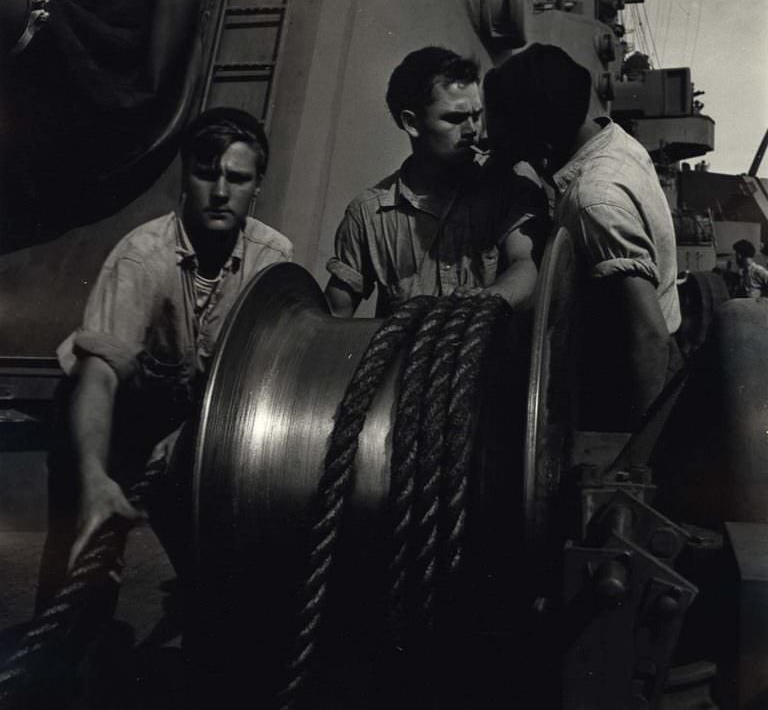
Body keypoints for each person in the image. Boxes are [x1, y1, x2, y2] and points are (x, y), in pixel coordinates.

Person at [37, 107, 293, 610]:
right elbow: (98, 376)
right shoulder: (141, 257)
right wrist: (94, 480)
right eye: (206, 174)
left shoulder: (273, 261)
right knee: (79, 577)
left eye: (237, 178)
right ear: (185, 175)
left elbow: (260, 385)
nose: (220, 192)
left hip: (198, 430)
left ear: (257, 186)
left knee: (219, 575)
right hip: (111, 426)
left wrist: (190, 433)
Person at [484, 43, 681, 432]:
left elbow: (648, 337)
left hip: (627, 389)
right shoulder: (614, 141)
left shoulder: (593, 200)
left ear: (541, 142)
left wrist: (633, 459)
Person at [324, 46, 546, 318]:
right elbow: (333, 320)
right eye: (455, 118)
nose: (472, 131)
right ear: (412, 123)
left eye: (476, 115)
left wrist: (485, 305)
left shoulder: (511, 182)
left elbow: (525, 263)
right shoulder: (367, 217)